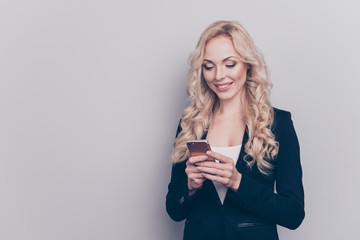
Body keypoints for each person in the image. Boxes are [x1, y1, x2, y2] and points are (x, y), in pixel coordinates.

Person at [165, 20, 305, 240]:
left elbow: (293, 214)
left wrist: (238, 182)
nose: (219, 75)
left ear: (248, 65)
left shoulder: (278, 123)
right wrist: (190, 187)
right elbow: (174, 210)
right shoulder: (191, 122)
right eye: (209, 66)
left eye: (230, 64)